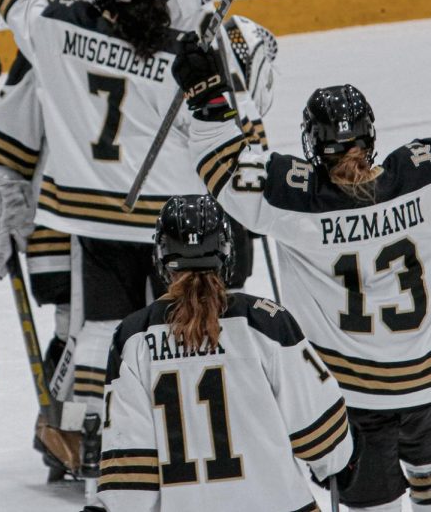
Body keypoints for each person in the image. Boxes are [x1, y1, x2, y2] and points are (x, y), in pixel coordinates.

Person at [172, 5, 431, 511]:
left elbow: (224, 167)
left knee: (372, 501)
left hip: (354, 392)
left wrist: (209, 100)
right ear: (371, 135)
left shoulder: (291, 201)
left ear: (311, 144)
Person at [0, 0, 269, 478]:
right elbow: (228, 115)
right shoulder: (180, 51)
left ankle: (98, 433)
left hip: (89, 212)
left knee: (101, 330)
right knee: (191, 317)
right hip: (174, 216)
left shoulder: (61, 32)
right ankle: (208, 423)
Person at [89, 194, 358, 512]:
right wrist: (340, 462)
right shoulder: (266, 322)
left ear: (161, 255)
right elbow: (326, 442)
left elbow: (130, 483)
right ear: (228, 250)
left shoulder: (133, 337)